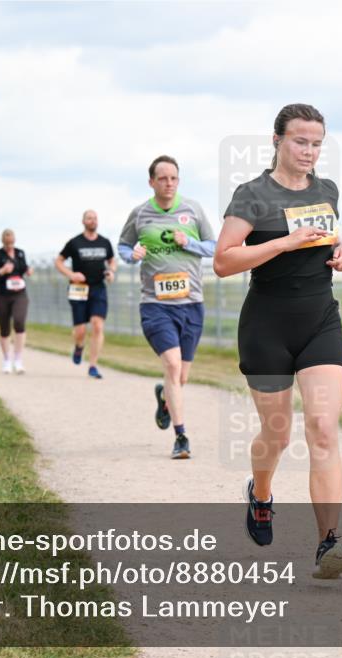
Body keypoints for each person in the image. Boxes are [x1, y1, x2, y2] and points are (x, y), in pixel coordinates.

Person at [214, 103, 342, 579]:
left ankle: (328, 543)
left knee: (323, 429)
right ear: (277, 141)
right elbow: (224, 260)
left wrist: (341, 250)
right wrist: (281, 244)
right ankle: (261, 492)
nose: (309, 151)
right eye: (300, 141)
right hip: (267, 327)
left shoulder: (327, 190)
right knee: (277, 435)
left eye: (316, 143)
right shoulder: (252, 194)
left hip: (320, 321)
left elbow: (328, 236)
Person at [118, 155, 216, 459]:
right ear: (151, 182)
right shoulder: (140, 214)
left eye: (173, 178)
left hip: (192, 305)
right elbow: (123, 246)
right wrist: (131, 254)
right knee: (172, 366)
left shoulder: (193, 210)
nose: (169, 183)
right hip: (155, 305)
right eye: (162, 178)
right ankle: (181, 437)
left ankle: (164, 398)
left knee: (180, 377)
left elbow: (213, 247)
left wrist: (187, 242)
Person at [55, 209, 117, 379]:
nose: (93, 220)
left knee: (97, 325)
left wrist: (111, 271)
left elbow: (112, 260)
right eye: (89, 218)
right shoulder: (75, 242)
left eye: (95, 218)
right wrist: (71, 274)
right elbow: (58, 261)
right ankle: (79, 346)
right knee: (80, 330)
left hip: (98, 287)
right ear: (83, 221)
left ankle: (93, 365)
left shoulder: (105, 242)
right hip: (78, 288)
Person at [0, 229, 33, 374]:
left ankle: (18, 359)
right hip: (2, 296)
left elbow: (23, 267)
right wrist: (2, 271)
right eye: (7, 243)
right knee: (4, 329)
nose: (10, 245)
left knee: (19, 322)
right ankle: (7, 359)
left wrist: (28, 270)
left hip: (19, 294)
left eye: (12, 242)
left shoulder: (20, 253)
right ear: (2, 242)